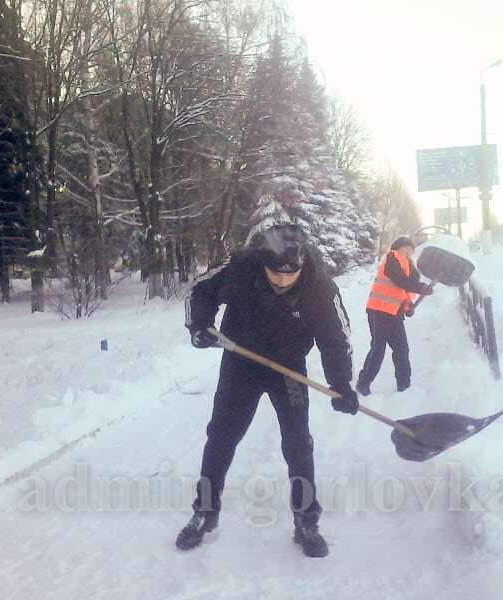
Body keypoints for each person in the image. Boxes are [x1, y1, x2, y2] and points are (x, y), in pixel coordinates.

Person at [177, 223, 359, 557]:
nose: (283, 281)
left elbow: (336, 338)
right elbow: (200, 290)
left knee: (297, 441)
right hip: (241, 362)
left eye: (291, 275)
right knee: (221, 435)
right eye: (275, 274)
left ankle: (306, 520)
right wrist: (200, 326)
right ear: (263, 263)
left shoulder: (320, 287)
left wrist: (341, 384)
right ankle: (204, 511)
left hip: (289, 368)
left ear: (302, 265)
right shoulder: (241, 269)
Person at [355, 236, 433, 396]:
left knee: (401, 348)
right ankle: (363, 383)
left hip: (394, 313)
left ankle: (404, 385)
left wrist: (408, 306)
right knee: (378, 348)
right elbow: (399, 280)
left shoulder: (408, 265)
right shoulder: (392, 257)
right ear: (399, 247)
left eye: (411, 250)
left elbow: (402, 291)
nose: (410, 252)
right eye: (407, 248)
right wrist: (420, 287)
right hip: (379, 310)